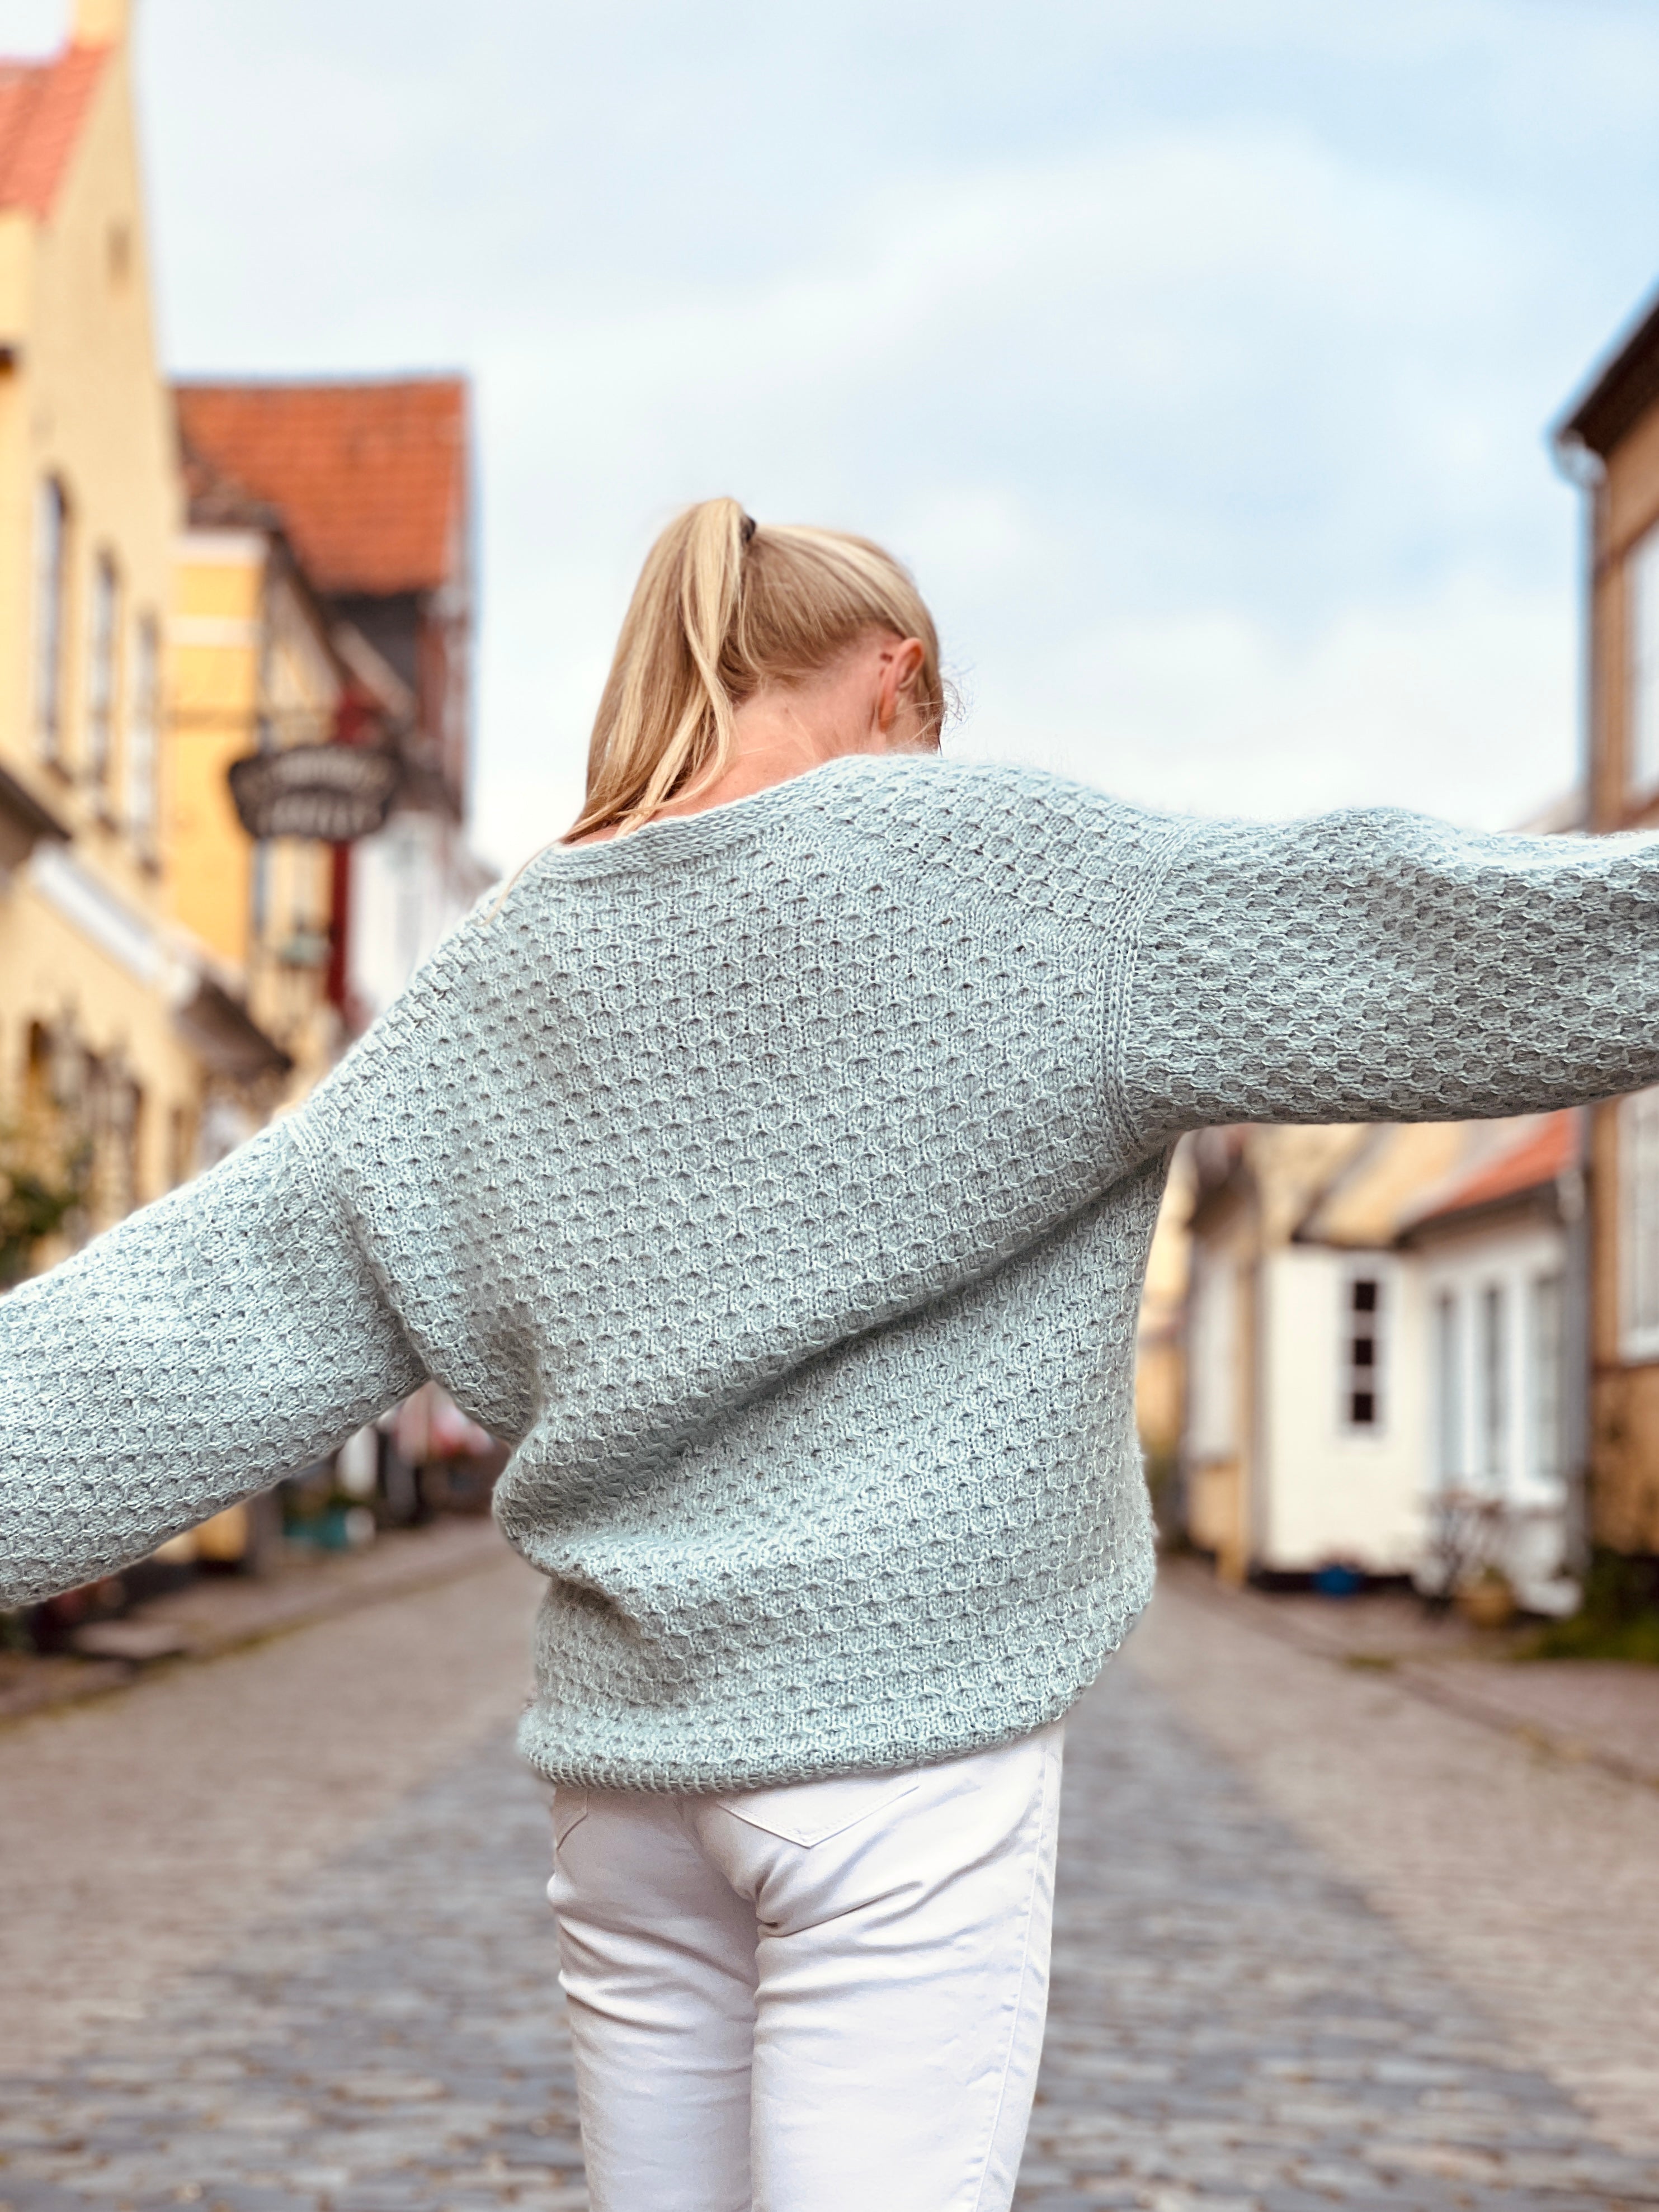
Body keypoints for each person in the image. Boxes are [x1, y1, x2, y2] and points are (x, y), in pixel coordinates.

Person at [3, 494, 1658, 2212]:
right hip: (900, 1755)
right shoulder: (1017, 869)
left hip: (627, 1802)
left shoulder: (495, 981)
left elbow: (177, 1333)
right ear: (900, 678)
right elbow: (1415, 939)